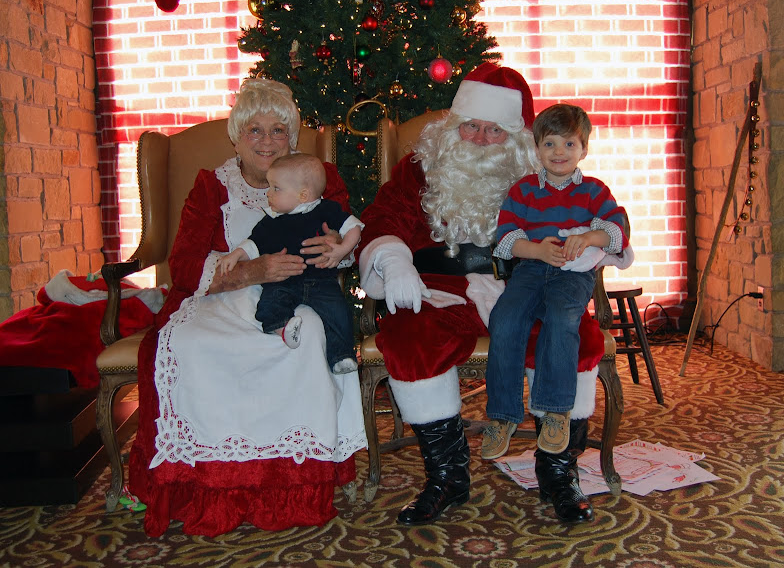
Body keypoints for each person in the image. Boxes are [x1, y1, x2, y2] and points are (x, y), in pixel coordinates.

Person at [356, 63, 620, 526]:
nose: (479, 139)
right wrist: (393, 261)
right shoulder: (419, 168)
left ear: (517, 138)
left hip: (527, 282)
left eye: (494, 130)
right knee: (410, 339)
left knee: (576, 338)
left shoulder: (543, 175)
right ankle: (447, 477)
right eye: (470, 126)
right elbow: (383, 218)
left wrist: (586, 245)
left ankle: (558, 472)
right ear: (454, 125)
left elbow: (598, 221)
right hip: (440, 289)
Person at [128, 78, 367, 537]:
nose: (267, 141)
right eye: (254, 130)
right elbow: (184, 264)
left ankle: (293, 483)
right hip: (223, 295)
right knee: (192, 343)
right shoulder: (212, 186)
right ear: (236, 137)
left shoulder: (316, 179)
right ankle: (206, 482)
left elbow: (345, 239)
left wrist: (337, 248)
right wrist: (250, 271)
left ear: (292, 137)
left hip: (300, 292)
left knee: (308, 336)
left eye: (278, 130)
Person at [483, 103, 628, 523]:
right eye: (550, 144)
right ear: (537, 148)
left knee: (563, 321)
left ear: (583, 149)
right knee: (505, 319)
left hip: (571, 275)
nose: (559, 152)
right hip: (531, 269)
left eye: (569, 144)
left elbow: (618, 231)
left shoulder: (594, 190)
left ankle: (555, 413)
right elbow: (505, 238)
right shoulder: (524, 190)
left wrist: (590, 237)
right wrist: (535, 249)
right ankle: (503, 415)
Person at [216, 152, 363, 372]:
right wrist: (236, 254)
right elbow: (254, 243)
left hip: (321, 281)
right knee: (269, 303)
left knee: (338, 311)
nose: (268, 194)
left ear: (303, 195)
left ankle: (341, 355)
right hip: (283, 280)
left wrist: (341, 250)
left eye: (276, 188)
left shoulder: (326, 210)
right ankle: (283, 328)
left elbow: (354, 228)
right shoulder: (272, 220)